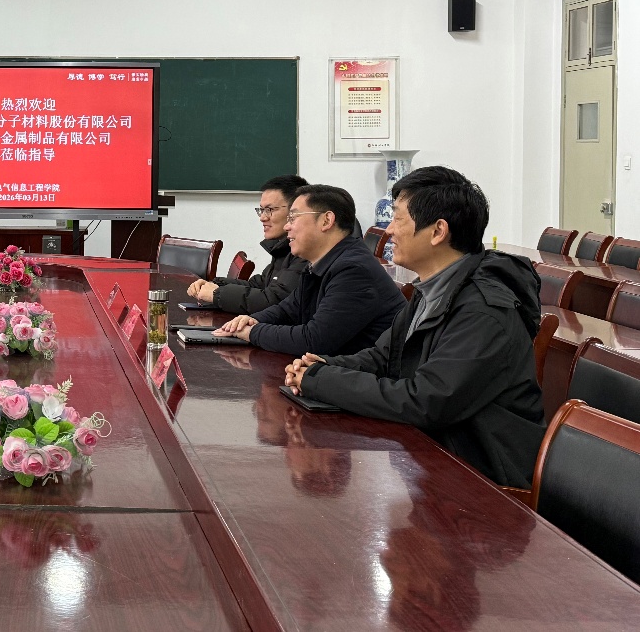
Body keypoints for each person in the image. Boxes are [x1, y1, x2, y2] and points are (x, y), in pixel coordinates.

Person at [285, 166, 546, 489]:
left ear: (438, 231)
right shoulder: (433, 289)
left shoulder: (484, 311)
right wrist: (320, 366)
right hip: (434, 457)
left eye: (398, 219)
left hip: (483, 478)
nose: (389, 230)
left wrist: (321, 380)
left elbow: (425, 401)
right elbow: (383, 358)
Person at [215, 184, 403, 356]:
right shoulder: (321, 262)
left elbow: (313, 340)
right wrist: (251, 320)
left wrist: (252, 332)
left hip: (367, 376)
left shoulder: (354, 270)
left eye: (293, 217)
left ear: (326, 220)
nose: (287, 226)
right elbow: (289, 309)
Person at [186, 174, 310, 314]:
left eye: (269, 210)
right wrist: (216, 284)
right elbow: (258, 285)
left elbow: (273, 301)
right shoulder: (282, 249)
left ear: (294, 212)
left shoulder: (305, 253)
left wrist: (217, 294)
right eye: (261, 210)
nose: (262, 217)